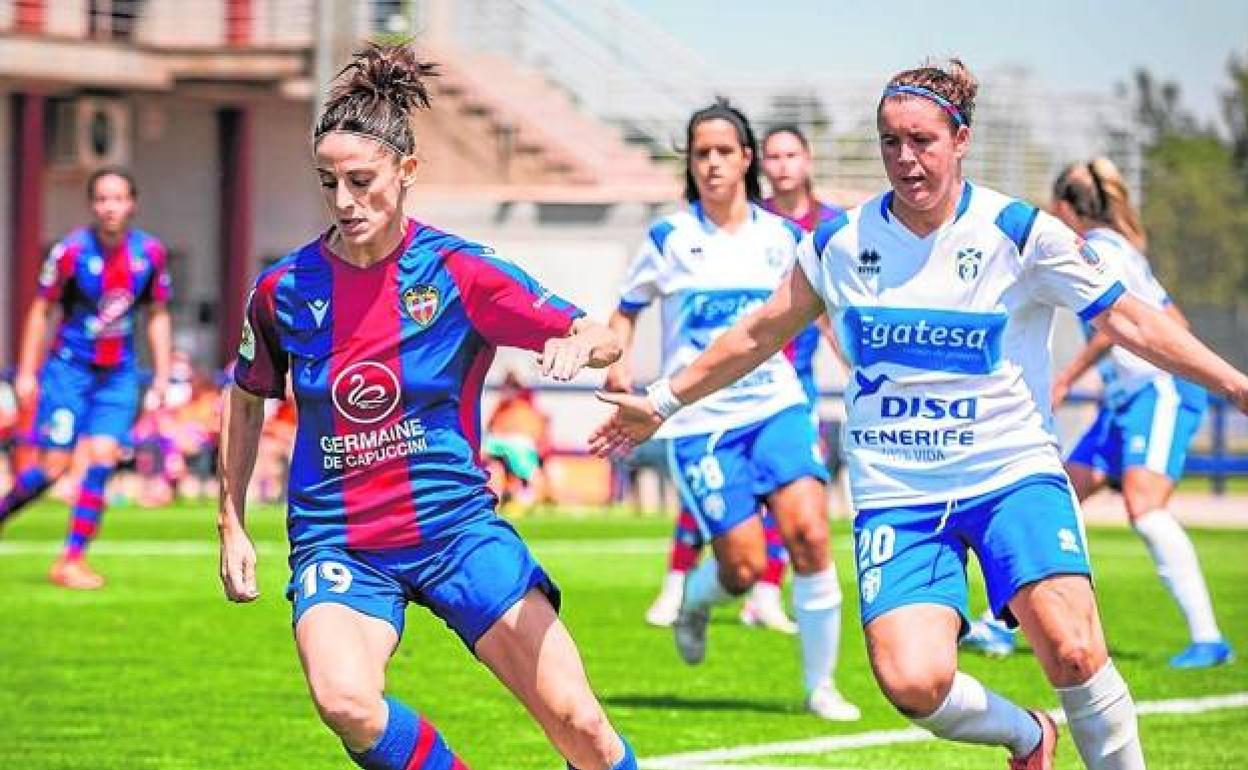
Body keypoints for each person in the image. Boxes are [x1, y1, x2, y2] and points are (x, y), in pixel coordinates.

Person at [591, 60, 1248, 770]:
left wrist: (1236, 387)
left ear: (960, 138)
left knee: (1074, 646)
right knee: (912, 681)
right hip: (899, 494)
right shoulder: (840, 242)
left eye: (923, 140)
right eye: (890, 142)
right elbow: (758, 332)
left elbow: (1130, 320)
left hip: (1009, 474)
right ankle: (1028, 735)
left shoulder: (1022, 232)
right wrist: (660, 402)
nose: (906, 158)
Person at [216, 42, 637, 770]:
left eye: (361, 181)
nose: (345, 202)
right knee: (345, 701)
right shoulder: (284, 290)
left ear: (406, 173)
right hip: (339, 541)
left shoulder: (458, 272)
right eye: (328, 184)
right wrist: (231, 523)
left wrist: (581, 344)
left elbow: (594, 332)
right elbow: (248, 398)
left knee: (584, 728)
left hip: (455, 530)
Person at [604, 98, 859, 720]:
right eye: (701, 154)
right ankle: (696, 602)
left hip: (775, 406)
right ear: (690, 164)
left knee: (810, 533)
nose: (713, 164)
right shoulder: (670, 236)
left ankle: (820, 687)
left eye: (724, 152)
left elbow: (819, 308)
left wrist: (854, 360)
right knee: (742, 567)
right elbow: (627, 308)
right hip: (699, 423)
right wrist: (618, 362)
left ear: (747, 160)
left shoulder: (783, 237)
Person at [1051, 159, 1232, 669]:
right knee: (1060, 494)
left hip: (1158, 391)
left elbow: (1120, 325)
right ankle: (999, 625)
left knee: (1145, 507)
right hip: (1128, 398)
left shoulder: (1100, 252)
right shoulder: (1121, 248)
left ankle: (1208, 637)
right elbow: (1175, 317)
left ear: (1064, 209)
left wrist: (1067, 377)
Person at [0, 167, 172, 589]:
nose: (110, 207)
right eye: (102, 199)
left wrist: (163, 375)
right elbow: (42, 310)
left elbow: (157, 314)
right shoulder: (71, 252)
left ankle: (71, 560)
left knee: (102, 458)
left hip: (118, 375)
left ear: (132, 203)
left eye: (118, 199)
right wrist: (26, 370)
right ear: (92, 205)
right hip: (68, 370)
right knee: (54, 466)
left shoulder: (149, 253)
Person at [483, 369, 553, 515]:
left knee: (529, 472)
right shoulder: (499, 409)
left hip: (521, 448)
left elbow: (536, 435)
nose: (508, 390)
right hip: (500, 450)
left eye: (513, 386)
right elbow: (490, 430)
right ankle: (496, 502)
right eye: (507, 386)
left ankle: (533, 499)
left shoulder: (526, 409)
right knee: (494, 467)